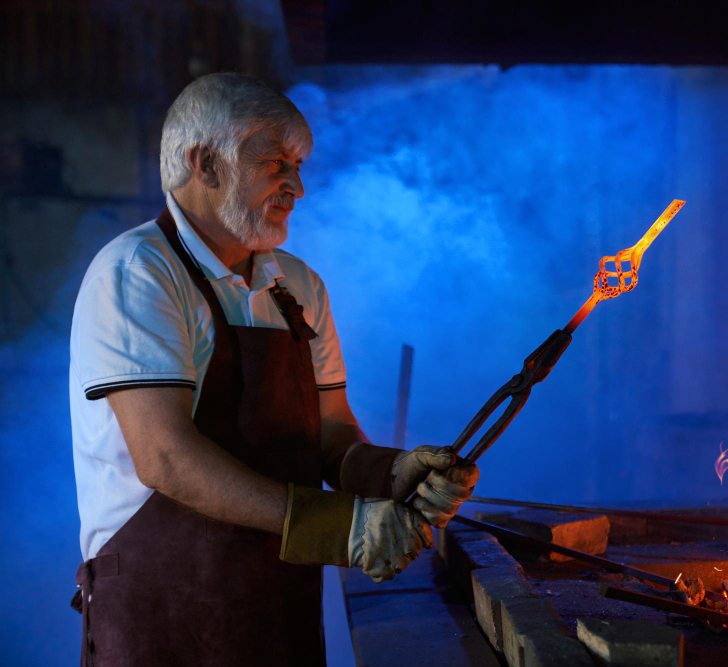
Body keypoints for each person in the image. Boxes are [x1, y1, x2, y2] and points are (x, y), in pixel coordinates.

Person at [68, 72, 479, 666]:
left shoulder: (298, 286)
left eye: (299, 165)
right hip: (161, 613)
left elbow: (331, 433)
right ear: (205, 163)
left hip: (275, 607)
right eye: (274, 162)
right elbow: (165, 457)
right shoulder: (138, 272)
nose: (297, 186)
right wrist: (342, 527)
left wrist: (391, 473)